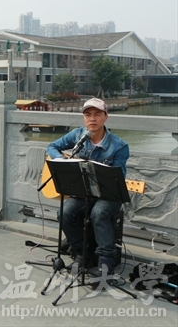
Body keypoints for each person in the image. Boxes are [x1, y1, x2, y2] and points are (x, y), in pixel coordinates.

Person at [47, 97, 129, 276]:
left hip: (108, 195)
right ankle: (83, 254)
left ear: (106, 116)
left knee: (98, 213)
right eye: (88, 114)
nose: (92, 118)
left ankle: (106, 263)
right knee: (64, 213)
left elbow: (118, 179)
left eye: (97, 114)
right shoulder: (78, 135)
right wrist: (60, 160)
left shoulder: (119, 146)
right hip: (83, 192)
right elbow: (52, 146)